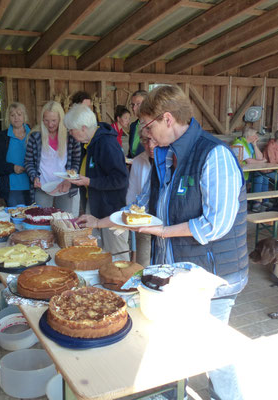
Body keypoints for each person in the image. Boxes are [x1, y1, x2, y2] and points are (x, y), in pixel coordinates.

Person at [79, 85, 247, 400]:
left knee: (215, 354)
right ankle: (175, 394)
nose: (146, 134)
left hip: (213, 278)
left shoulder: (215, 155)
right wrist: (99, 222)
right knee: (174, 344)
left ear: (167, 119)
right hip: (178, 275)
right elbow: (140, 210)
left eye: (148, 125)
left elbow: (217, 224)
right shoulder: (164, 157)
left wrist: (163, 232)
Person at [64, 104, 130, 259]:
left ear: (83, 128)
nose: (70, 133)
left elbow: (120, 179)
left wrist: (90, 182)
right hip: (95, 206)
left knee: (117, 258)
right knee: (97, 255)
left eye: (71, 130)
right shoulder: (90, 143)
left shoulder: (106, 144)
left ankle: (125, 284)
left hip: (112, 210)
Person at [24, 101, 82, 216]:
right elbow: (28, 162)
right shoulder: (35, 137)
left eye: (54, 120)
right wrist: (34, 176)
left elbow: (77, 162)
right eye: (46, 120)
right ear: (42, 120)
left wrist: (69, 180)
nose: (50, 124)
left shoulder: (71, 137)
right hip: (43, 187)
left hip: (65, 186)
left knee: (64, 220)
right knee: (42, 220)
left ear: (60, 119)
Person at [0, 102, 32, 206]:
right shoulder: (2, 137)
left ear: (24, 116)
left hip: (33, 185)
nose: (16, 118)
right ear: (8, 118)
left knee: (33, 216)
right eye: (12, 115)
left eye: (19, 114)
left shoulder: (33, 134)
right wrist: (12, 168)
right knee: (15, 217)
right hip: (11, 187)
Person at [125, 128, 153, 266]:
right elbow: (132, 193)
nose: (150, 145)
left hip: (166, 226)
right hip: (143, 224)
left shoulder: (172, 161)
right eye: (146, 141)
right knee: (143, 265)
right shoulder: (138, 161)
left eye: (153, 140)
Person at [231, 126, 269, 212]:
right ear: (249, 135)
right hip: (241, 173)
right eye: (255, 134)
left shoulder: (249, 144)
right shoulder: (239, 144)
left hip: (249, 171)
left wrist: (255, 145)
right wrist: (262, 162)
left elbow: (259, 158)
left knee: (264, 176)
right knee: (259, 177)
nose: (256, 136)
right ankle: (256, 203)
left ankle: (265, 201)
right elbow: (249, 161)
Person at [127, 90, 148, 159]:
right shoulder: (133, 126)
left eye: (138, 104)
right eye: (132, 105)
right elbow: (131, 152)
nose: (134, 108)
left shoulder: (153, 126)